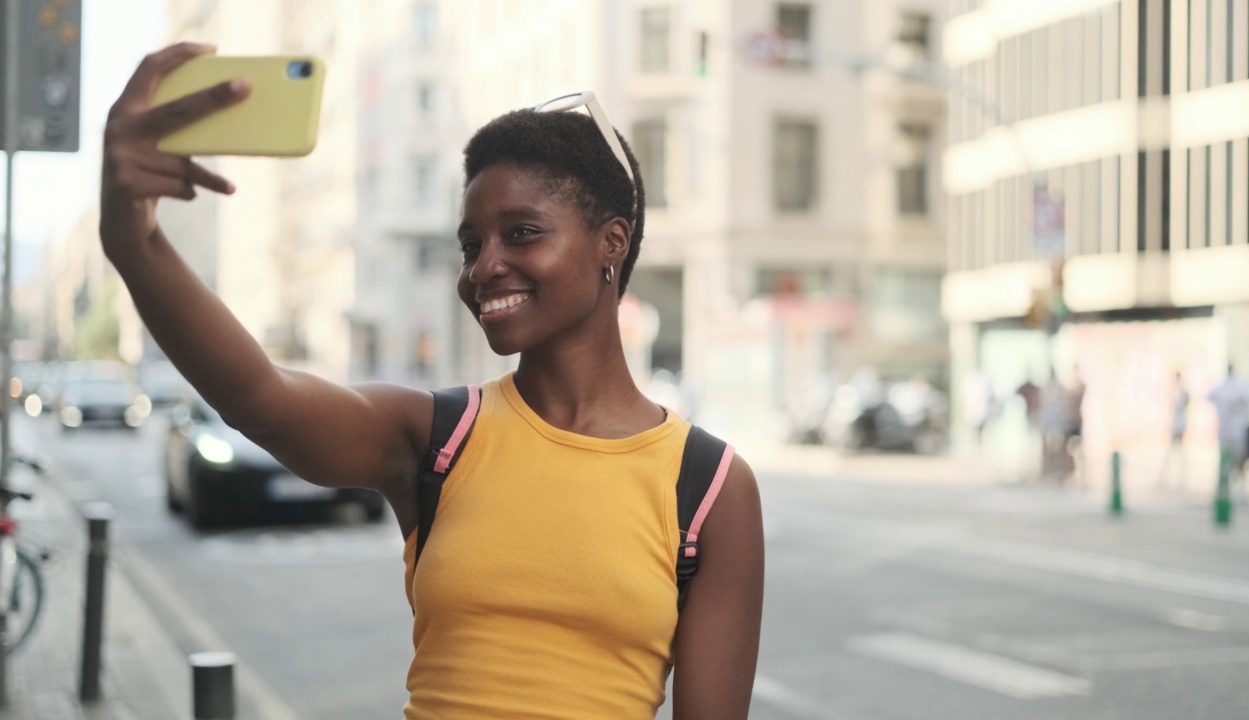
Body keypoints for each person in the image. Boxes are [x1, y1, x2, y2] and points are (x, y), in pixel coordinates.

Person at [99, 43, 764, 719]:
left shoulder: (708, 485)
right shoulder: (437, 438)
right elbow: (259, 396)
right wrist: (132, 238)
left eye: (522, 233)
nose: (484, 268)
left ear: (612, 243)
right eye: (472, 245)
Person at [1208, 364, 1249, 501]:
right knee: (1226, 461)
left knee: (1239, 461)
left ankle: (1240, 489)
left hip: (1237, 431)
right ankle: (1225, 489)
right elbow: (1209, 396)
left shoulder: (1241, 386)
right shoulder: (1221, 385)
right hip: (1227, 431)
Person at [1158, 371, 1190, 489]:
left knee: (1176, 452)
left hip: (1179, 425)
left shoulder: (1180, 392)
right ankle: (1166, 477)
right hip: (1177, 424)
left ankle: (1177, 477)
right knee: (1173, 452)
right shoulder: (1178, 392)